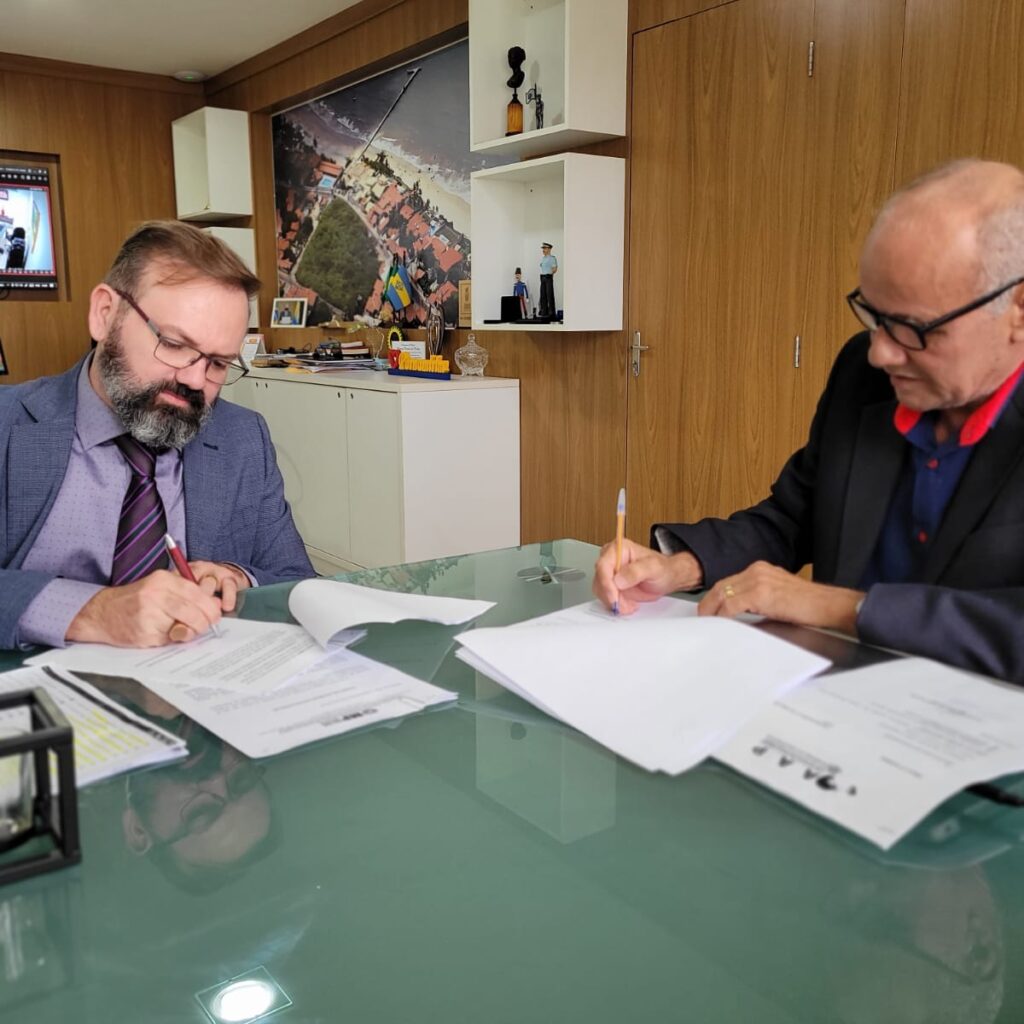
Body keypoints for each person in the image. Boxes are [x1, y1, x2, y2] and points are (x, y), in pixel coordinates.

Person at [594, 158, 1024, 684]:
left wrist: (846, 609)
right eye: (874, 316)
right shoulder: (862, 375)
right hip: (830, 703)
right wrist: (679, 567)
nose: (881, 353)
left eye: (911, 328)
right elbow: (795, 518)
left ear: (1017, 309)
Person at [0, 219, 314, 651]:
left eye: (219, 363)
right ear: (105, 315)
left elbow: (297, 580)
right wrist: (90, 611)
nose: (194, 380)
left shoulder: (243, 438)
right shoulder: (8, 424)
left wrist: (241, 579)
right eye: (173, 343)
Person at [538, 242, 558, 319]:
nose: (543, 250)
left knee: (549, 295)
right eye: (543, 248)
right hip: (542, 278)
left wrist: (549, 275)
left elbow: (555, 269)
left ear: (549, 249)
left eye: (545, 248)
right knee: (543, 296)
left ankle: (551, 313)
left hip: (548, 277)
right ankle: (544, 312)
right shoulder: (543, 258)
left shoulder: (552, 258)